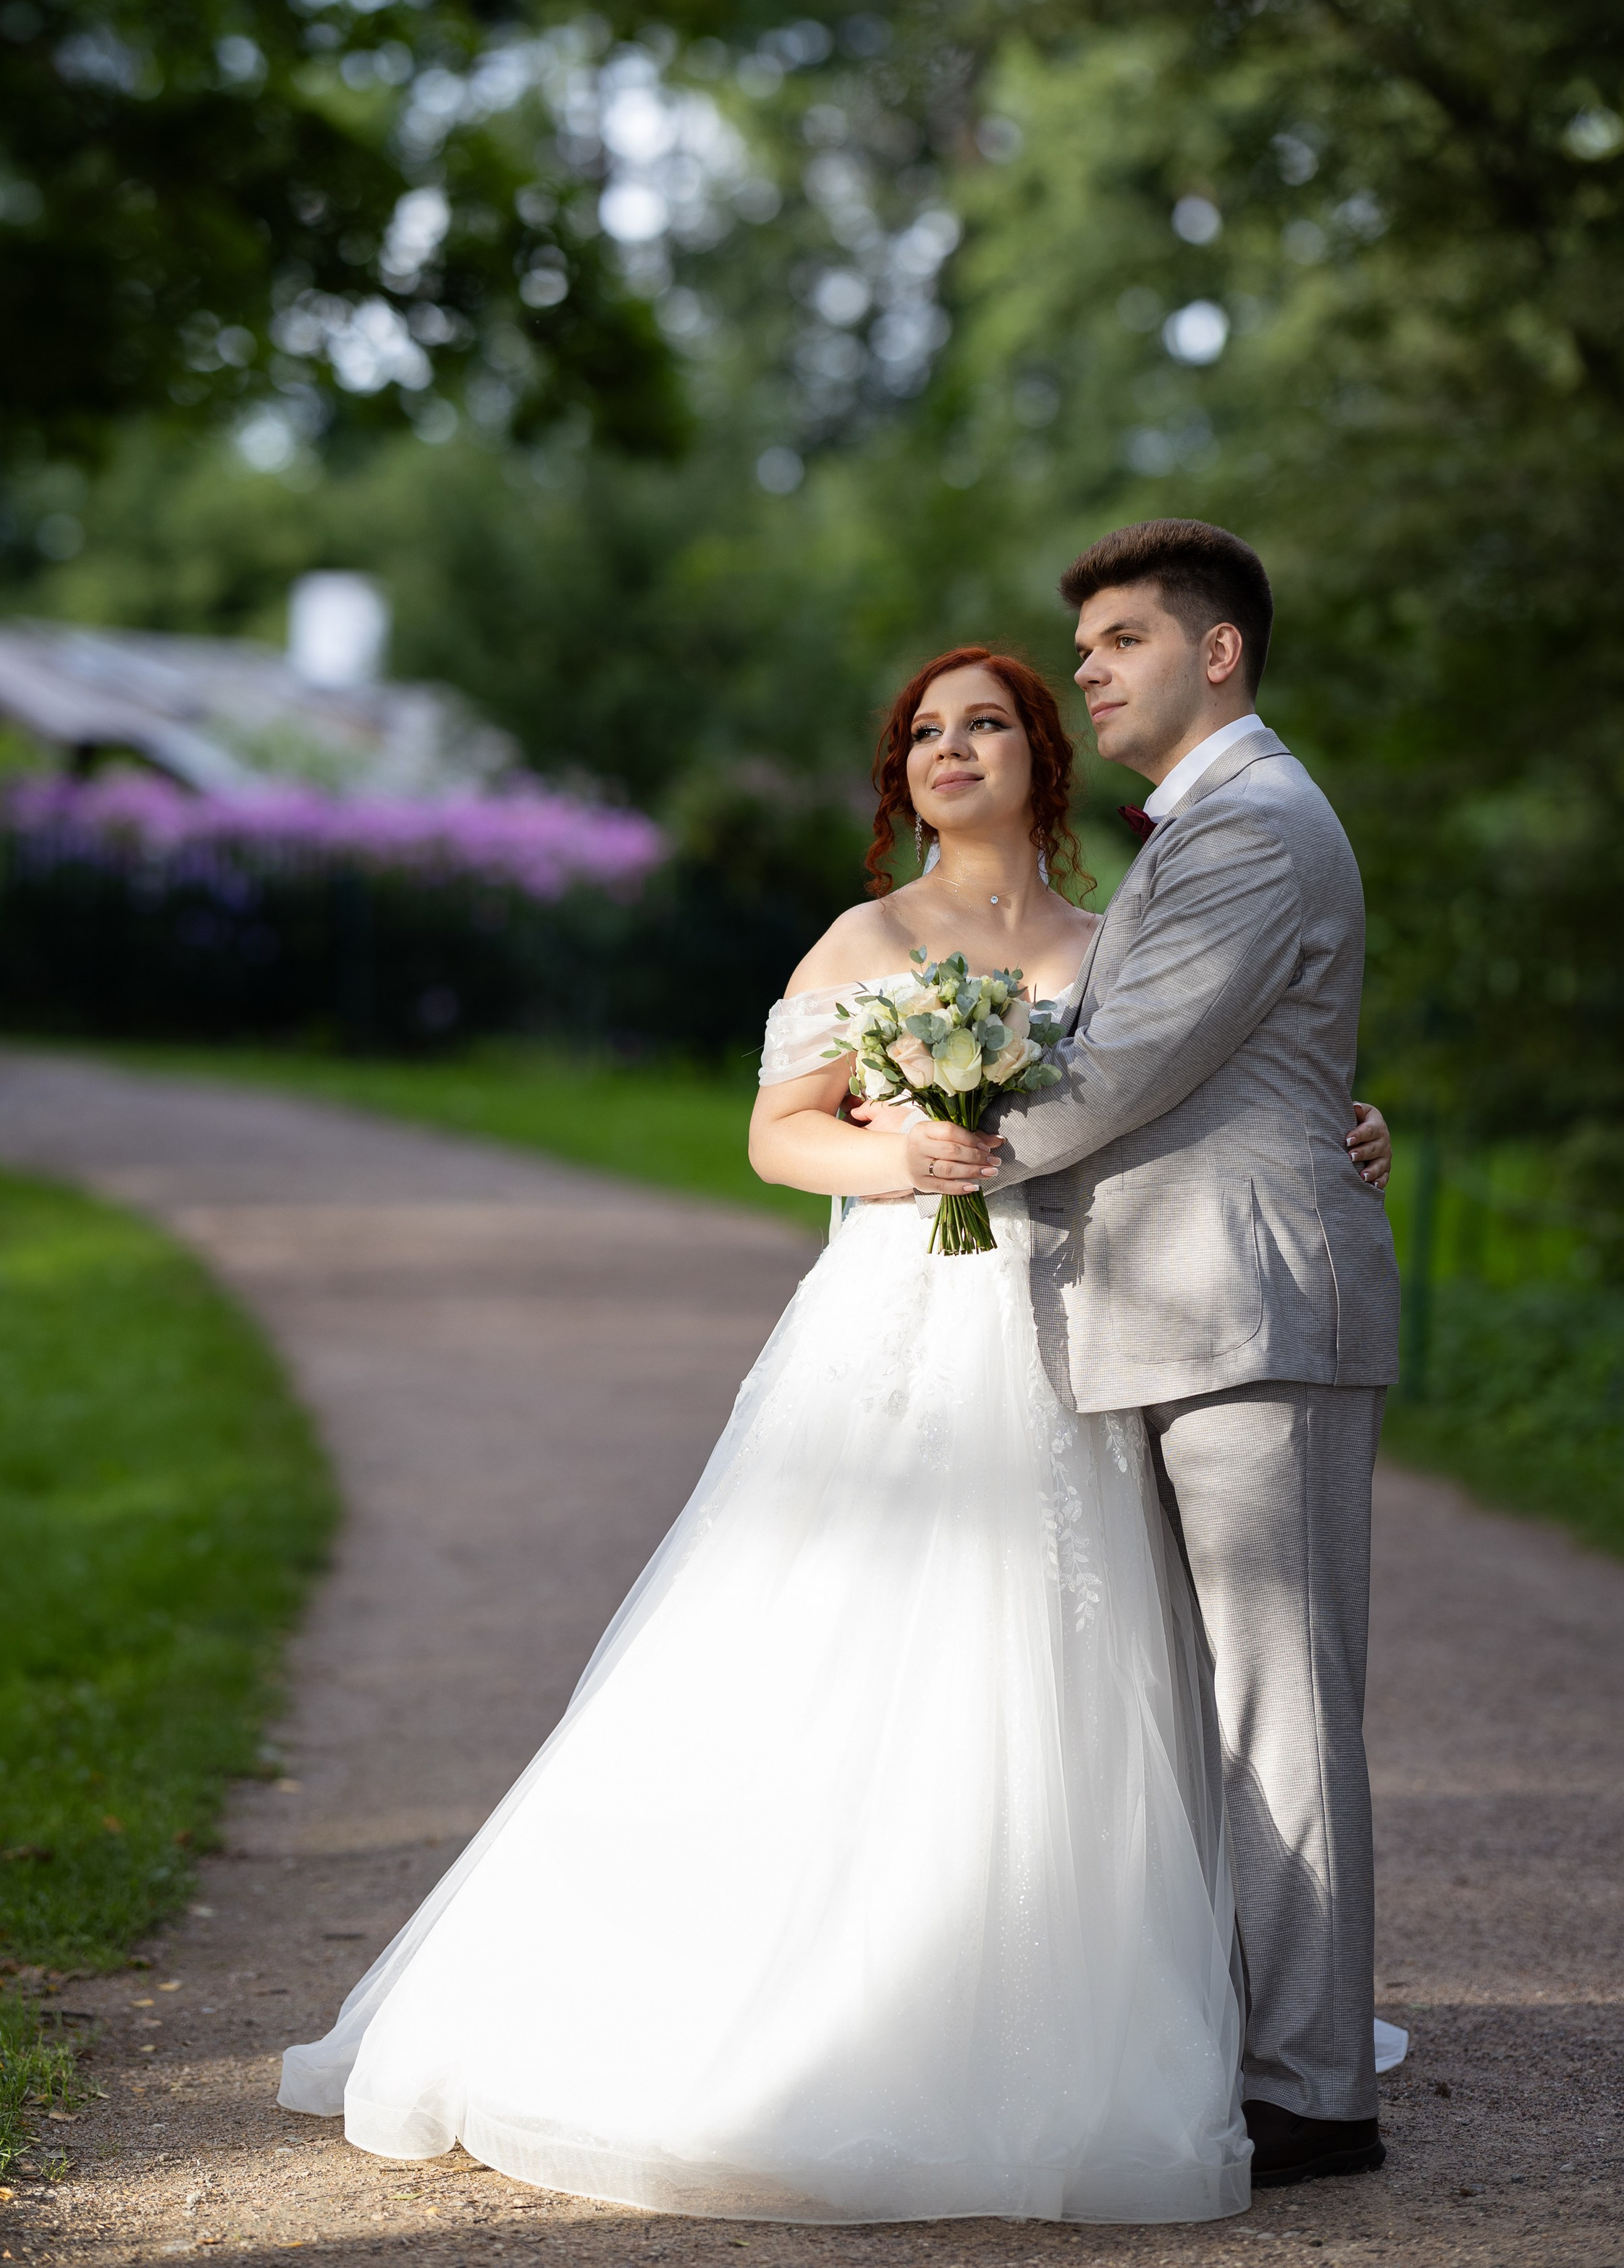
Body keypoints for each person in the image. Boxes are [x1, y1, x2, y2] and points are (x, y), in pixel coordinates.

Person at [277, 621, 1394, 2226]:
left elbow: (1189, 1074)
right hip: (906, 1320)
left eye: (986, 725)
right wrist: (904, 1162)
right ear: (902, 778)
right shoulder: (866, 937)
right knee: (861, 1638)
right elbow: (776, 1135)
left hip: (1087, 1328)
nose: (952, 750)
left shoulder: (1113, 939)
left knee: (1091, 1657)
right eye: (926, 733)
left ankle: (1123, 2001)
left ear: (1039, 761)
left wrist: (1332, 1122)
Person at [897, 518, 1399, 2192]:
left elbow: (1115, 1072)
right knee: (1211, 1704)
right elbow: (1216, 1057)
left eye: (1120, 640)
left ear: (1217, 652)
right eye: (1086, 647)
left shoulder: (1251, 824)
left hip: (1246, 1314)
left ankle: (1313, 2091)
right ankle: (1246, 2042)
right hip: (1179, 1311)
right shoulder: (1207, 825)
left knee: (1277, 1702)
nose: (1089, 671)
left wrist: (949, 1134)